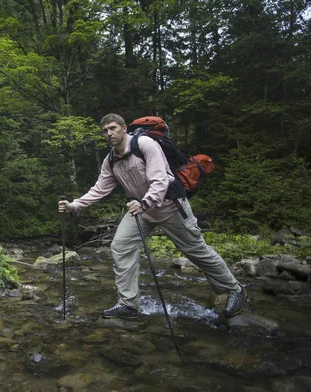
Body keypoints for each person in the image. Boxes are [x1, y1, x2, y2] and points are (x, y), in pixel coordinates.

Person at [58, 113, 246, 319]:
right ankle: (128, 304)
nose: (109, 133)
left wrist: (145, 203)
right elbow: (99, 189)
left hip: (170, 207)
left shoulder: (145, 144)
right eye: (105, 131)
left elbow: (160, 180)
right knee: (121, 246)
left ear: (123, 128)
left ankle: (234, 290)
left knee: (196, 250)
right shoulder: (111, 160)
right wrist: (74, 205)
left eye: (113, 128)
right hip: (142, 211)